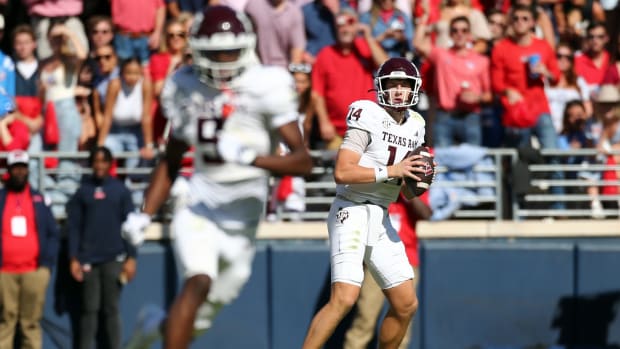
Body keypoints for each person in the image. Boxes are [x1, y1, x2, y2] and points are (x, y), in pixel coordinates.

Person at [120, 6, 313, 349]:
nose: (223, 61)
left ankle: (155, 326)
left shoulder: (267, 84)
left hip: (244, 221)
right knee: (198, 283)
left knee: (204, 315)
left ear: (248, 45)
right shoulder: (184, 85)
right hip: (199, 207)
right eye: (214, 53)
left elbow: (302, 162)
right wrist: (144, 212)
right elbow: (172, 158)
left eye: (230, 51)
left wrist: (251, 157)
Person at [302, 57, 430, 349]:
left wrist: (418, 182)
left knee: (406, 304)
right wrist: (394, 170)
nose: (398, 91)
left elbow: (407, 194)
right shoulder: (367, 113)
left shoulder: (417, 125)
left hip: (381, 215)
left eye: (404, 85)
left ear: (415, 89)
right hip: (352, 208)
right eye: (392, 84)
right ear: (380, 87)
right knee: (344, 298)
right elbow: (342, 171)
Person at [66, 146, 137, 349]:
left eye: (103, 161)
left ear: (110, 164)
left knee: (111, 309)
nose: (99, 165)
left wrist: (131, 257)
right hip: (88, 259)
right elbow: (74, 227)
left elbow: (131, 226)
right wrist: (73, 257)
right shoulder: (83, 192)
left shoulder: (120, 190)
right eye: (96, 161)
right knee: (89, 310)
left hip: (113, 258)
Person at [343, 192, 432, 349]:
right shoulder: (377, 186)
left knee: (402, 320)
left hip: (407, 259)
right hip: (375, 259)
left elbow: (426, 213)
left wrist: (406, 190)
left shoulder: (411, 183)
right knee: (365, 318)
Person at [0, 150, 60, 349]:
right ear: (8, 170)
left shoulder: (39, 200)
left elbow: (53, 233)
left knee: (31, 323)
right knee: (5, 322)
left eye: (22, 168)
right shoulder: (1, 199)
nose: (18, 172)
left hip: (34, 271)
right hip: (4, 272)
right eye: (15, 168)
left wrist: (46, 267)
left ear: (27, 170)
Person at [414, 15, 492, 147]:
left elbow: (488, 96)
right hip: (445, 115)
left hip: (471, 116)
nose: (459, 34)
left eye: (464, 30)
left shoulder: (481, 60)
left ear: (470, 34)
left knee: (472, 161)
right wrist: (424, 18)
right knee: (442, 163)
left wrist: (477, 98)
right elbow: (417, 44)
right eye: (455, 31)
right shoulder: (441, 55)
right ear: (450, 34)